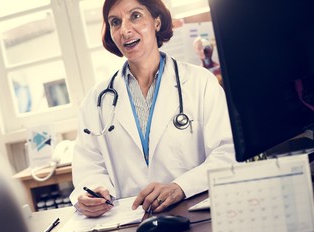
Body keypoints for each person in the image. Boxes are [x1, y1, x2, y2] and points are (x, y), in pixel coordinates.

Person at [70, 0, 235, 217]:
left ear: (157, 22)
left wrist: (180, 187)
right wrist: (93, 193)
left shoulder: (200, 82)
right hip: (129, 222)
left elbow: (226, 153)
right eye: (115, 22)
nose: (125, 30)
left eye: (135, 16)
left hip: (193, 215)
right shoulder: (96, 100)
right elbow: (89, 167)